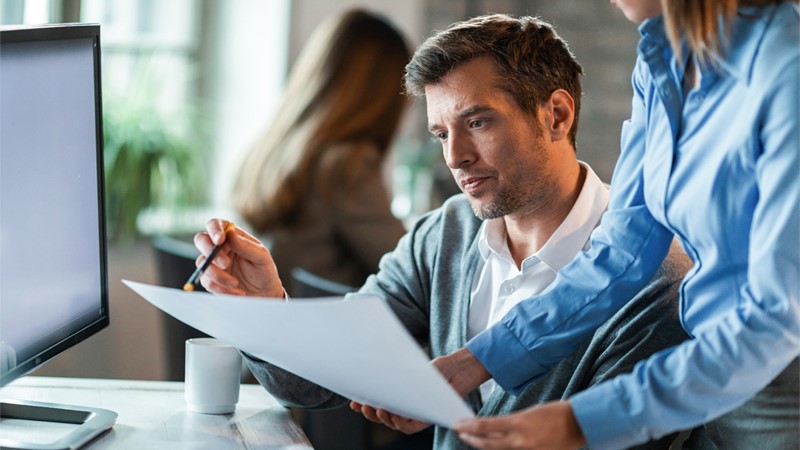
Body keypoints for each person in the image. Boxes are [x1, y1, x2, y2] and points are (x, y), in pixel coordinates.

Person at [193, 14, 693, 449]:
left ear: (556, 115)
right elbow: (320, 383)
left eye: (477, 122)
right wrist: (265, 311)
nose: (454, 157)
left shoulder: (655, 287)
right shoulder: (445, 233)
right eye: (441, 134)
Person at [448, 2, 800, 449]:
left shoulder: (786, 65)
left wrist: (582, 420)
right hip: (709, 382)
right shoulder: (662, 63)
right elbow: (624, 248)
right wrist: (475, 361)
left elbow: (777, 319)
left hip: (783, 389)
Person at [232, 9, 408, 292]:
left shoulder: (273, 148)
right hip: (322, 328)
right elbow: (411, 269)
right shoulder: (346, 165)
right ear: (382, 95)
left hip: (273, 322)